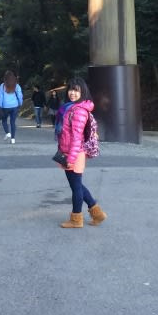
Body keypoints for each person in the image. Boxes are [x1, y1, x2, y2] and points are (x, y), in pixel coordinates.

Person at [54, 76, 107, 228]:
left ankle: (76, 219)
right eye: (71, 90)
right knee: (77, 185)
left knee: (76, 187)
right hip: (69, 151)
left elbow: (77, 137)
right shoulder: (69, 107)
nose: (73, 93)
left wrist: (71, 157)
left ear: (83, 92)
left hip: (75, 153)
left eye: (76, 91)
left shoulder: (78, 111)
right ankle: (97, 213)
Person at [0, 70, 23, 144]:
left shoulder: (2, 86)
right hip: (14, 106)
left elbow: (0, 97)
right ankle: (13, 139)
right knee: (13, 122)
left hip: (5, 106)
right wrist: (20, 103)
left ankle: (8, 133)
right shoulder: (17, 85)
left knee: (4, 120)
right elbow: (19, 95)